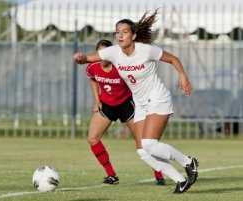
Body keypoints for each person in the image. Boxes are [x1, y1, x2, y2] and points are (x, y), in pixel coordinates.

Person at [74, 10, 199, 194]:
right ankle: (180, 180)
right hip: (140, 103)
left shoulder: (146, 50)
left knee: (149, 143)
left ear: (133, 35)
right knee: (143, 151)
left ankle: (188, 162)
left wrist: (183, 76)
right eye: (117, 32)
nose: (120, 35)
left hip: (158, 98)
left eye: (124, 31)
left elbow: (172, 59)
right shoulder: (114, 52)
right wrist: (80, 58)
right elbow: (89, 59)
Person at [86, 39, 165, 185]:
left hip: (126, 105)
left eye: (105, 54)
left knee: (143, 142)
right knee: (92, 138)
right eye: (100, 54)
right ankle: (112, 175)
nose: (102, 57)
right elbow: (93, 79)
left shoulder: (121, 67)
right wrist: (97, 100)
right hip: (107, 106)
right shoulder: (92, 67)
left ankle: (159, 175)